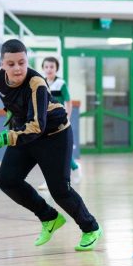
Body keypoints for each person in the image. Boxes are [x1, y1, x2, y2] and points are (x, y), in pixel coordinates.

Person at [0, 39, 102, 251]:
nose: (17, 68)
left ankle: (91, 228)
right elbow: (11, 101)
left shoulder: (37, 84)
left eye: (22, 62)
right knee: (8, 180)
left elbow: (36, 127)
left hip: (54, 135)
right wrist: (12, 115)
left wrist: (3, 138)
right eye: (11, 63)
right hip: (24, 133)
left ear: (27, 61)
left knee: (60, 191)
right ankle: (49, 218)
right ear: (2, 64)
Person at [37, 56, 81, 191]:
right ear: (43, 68)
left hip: (59, 121)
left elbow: (68, 101)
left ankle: (74, 168)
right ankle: (72, 168)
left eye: (52, 67)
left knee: (59, 151)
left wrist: (66, 117)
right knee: (49, 152)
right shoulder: (41, 83)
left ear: (56, 69)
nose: (49, 69)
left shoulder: (61, 83)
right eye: (46, 67)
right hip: (46, 122)